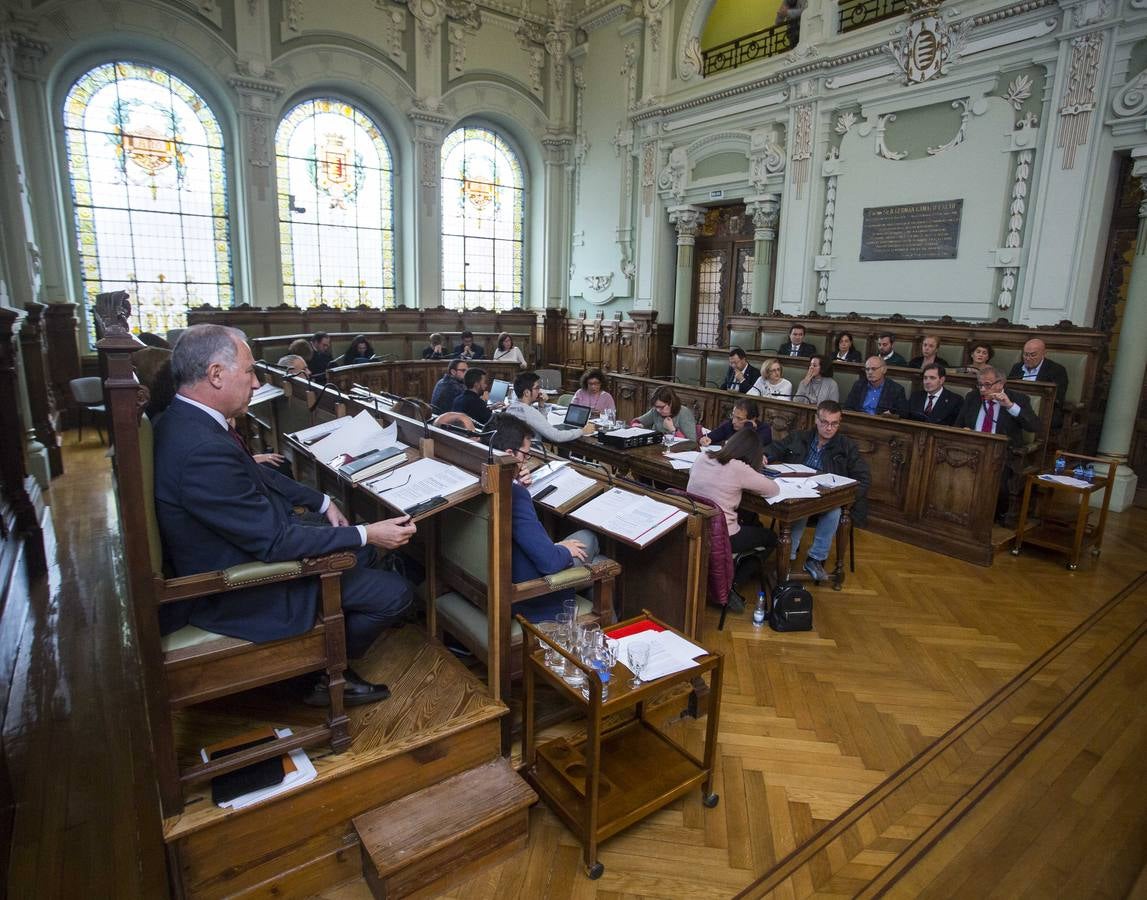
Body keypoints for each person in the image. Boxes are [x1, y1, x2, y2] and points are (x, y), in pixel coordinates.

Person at [153, 324, 416, 706]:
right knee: (396, 594)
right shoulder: (200, 449)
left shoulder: (186, 421)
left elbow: (252, 473)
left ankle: (327, 647)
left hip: (239, 550)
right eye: (249, 372)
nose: (258, 384)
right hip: (241, 589)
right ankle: (319, 674)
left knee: (363, 553)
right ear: (215, 375)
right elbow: (275, 541)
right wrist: (366, 532)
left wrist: (322, 502)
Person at [488, 417, 603, 622]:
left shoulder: (480, 479)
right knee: (593, 545)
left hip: (495, 578)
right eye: (525, 455)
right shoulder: (513, 495)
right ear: (509, 454)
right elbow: (549, 562)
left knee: (594, 565)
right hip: (526, 594)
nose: (526, 461)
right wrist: (561, 548)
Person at [763, 400, 870, 584]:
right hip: (798, 493)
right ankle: (789, 555)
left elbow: (864, 479)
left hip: (827, 497)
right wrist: (764, 455)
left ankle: (816, 559)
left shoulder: (846, 446)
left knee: (834, 510)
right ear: (816, 420)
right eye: (825, 422)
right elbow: (775, 449)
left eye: (834, 423)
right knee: (799, 505)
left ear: (839, 422)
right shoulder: (799, 437)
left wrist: (846, 498)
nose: (829, 428)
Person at [687, 428, 780, 557]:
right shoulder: (739, 468)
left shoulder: (703, 457)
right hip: (723, 535)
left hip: (694, 525)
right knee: (772, 537)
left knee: (749, 518)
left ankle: (738, 561)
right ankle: (740, 572)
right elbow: (773, 489)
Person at [956, 364, 1039, 447]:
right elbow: (958, 424)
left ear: (1000, 384)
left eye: (987, 385)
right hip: (972, 447)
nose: (982, 389)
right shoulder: (973, 396)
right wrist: (963, 431)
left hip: (1002, 451)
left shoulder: (1018, 399)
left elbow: (1033, 426)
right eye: (980, 385)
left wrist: (1010, 406)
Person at [504, 371, 596, 443]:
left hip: (519, 450)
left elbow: (541, 424)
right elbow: (557, 436)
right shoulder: (529, 412)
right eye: (537, 388)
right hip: (533, 452)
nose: (539, 391)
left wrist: (541, 405)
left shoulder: (511, 408)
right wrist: (582, 431)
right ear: (526, 393)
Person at [1008, 337, 1068, 429]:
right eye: (1025, 354)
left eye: (1033, 355)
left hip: (1043, 410)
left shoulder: (1056, 370)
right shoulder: (1017, 367)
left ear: (1043, 353)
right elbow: (1009, 389)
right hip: (1017, 406)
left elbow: (1058, 398)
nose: (1028, 358)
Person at [844, 356, 908, 416]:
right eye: (867, 369)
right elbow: (847, 407)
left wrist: (891, 415)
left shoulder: (896, 389)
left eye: (874, 369)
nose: (870, 372)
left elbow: (903, 413)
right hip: (860, 421)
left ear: (884, 370)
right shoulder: (859, 385)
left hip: (881, 424)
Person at [699, 398, 771, 448]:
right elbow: (711, 436)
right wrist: (705, 439)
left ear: (753, 419)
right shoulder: (730, 424)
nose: (734, 421)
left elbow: (746, 446)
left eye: (739, 418)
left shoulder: (764, 430)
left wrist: (749, 426)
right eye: (733, 416)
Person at [632, 385, 697, 438]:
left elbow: (691, 442)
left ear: (671, 403)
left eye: (661, 407)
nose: (658, 410)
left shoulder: (684, 413)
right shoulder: (655, 411)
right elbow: (636, 421)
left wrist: (672, 429)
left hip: (677, 451)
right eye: (656, 407)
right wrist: (637, 426)